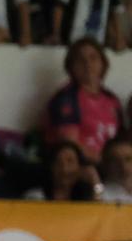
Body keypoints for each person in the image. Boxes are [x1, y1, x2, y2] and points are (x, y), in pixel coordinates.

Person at [45, 38, 126, 166]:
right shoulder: (66, 99)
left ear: (103, 63)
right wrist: (105, 164)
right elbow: (71, 146)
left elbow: (121, 141)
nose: (87, 63)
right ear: (71, 67)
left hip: (113, 166)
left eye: (93, 58)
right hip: (81, 167)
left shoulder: (112, 100)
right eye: (80, 60)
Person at [26, 139, 102, 202]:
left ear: (80, 166)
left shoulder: (85, 198)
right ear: (51, 168)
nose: (64, 168)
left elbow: (102, 214)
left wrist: (95, 182)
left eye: (70, 161)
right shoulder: (35, 196)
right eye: (58, 162)